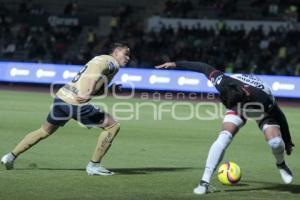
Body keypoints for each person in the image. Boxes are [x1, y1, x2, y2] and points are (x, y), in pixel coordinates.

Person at [156, 61, 294, 194]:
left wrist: (287, 141)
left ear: (244, 94)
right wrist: (175, 64)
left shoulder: (262, 98)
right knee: (224, 137)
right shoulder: (222, 82)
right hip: (241, 101)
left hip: (259, 109)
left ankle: (280, 164)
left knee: (275, 143)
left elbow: (280, 116)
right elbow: (203, 67)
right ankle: (204, 182)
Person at [1, 42, 130, 176]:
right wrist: (88, 91)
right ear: (115, 53)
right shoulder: (111, 62)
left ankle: (10, 156)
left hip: (62, 97)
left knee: (44, 131)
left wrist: (109, 89)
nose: (128, 57)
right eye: (125, 54)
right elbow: (95, 73)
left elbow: (96, 86)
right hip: (75, 103)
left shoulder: (100, 58)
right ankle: (94, 165)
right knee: (113, 126)